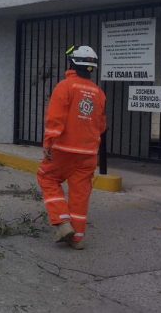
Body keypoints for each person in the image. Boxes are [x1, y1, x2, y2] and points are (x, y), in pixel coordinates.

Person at [37, 45, 107, 250]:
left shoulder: (65, 86)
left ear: (72, 64)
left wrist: (49, 141)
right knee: (80, 193)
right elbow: (102, 125)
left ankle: (62, 221)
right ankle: (76, 237)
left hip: (63, 149)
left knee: (47, 177)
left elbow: (55, 117)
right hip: (88, 153)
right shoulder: (99, 93)